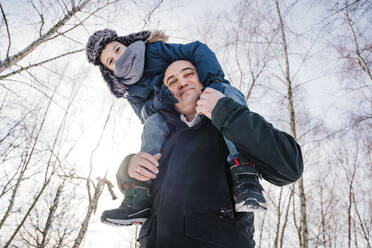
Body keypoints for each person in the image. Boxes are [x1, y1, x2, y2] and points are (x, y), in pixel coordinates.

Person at [85, 29, 267, 226]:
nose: (118, 59)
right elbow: (144, 116)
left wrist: (213, 81)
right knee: (153, 124)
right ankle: (140, 195)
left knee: (228, 93)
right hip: (172, 117)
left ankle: (245, 175)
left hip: (200, 94)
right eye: (111, 61)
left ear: (126, 44)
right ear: (109, 71)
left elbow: (198, 49)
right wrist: (159, 102)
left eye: (117, 50)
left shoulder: (154, 51)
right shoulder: (130, 90)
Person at [117, 60, 303, 247]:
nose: (181, 82)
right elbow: (136, 190)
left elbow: (289, 165)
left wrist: (225, 111)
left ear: (202, 81)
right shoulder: (159, 140)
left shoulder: (230, 130)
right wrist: (128, 167)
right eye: (172, 82)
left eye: (188, 74)